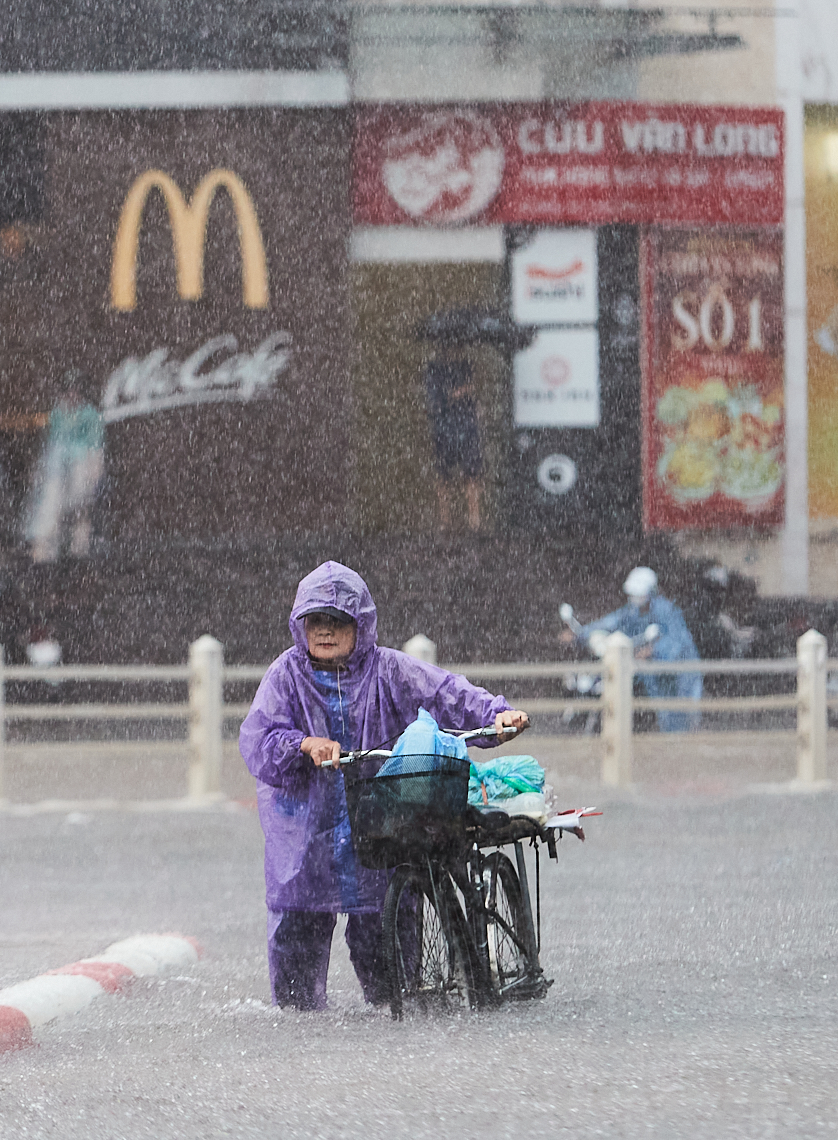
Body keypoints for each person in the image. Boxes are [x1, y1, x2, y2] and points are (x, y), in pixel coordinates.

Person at [240, 561, 527, 1011]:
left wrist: (496, 716)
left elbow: (446, 694)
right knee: (296, 984)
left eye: (337, 620)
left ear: (360, 624)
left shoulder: (389, 669)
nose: (325, 631)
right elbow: (258, 741)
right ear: (300, 625)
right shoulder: (285, 675)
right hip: (305, 840)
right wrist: (303, 745)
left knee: (389, 975)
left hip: (379, 827)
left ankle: (395, 1021)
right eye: (316, 620)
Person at [566, 566, 703, 732]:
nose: (635, 598)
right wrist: (581, 634)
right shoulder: (633, 612)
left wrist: (653, 650)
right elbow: (611, 622)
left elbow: (676, 643)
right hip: (655, 674)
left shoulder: (665, 610)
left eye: (639, 594)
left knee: (684, 712)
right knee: (664, 714)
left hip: (681, 673)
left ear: (651, 592)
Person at [24, 372, 106, 564]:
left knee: (79, 506)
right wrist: (40, 469)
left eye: (75, 391)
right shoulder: (58, 414)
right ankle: (46, 548)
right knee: (50, 502)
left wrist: (94, 471)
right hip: (56, 468)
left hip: (81, 465)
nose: (71, 395)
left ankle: (78, 548)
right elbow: (51, 443)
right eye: (68, 391)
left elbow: (96, 447)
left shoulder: (91, 415)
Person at [422, 346, 483, 531]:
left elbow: (475, 395)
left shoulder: (465, 367)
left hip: (465, 426)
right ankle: (445, 520)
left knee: (471, 474)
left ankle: (474, 520)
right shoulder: (434, 371)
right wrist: (455, 394)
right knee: (444, 476)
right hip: (445, 428)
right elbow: (434, 400)